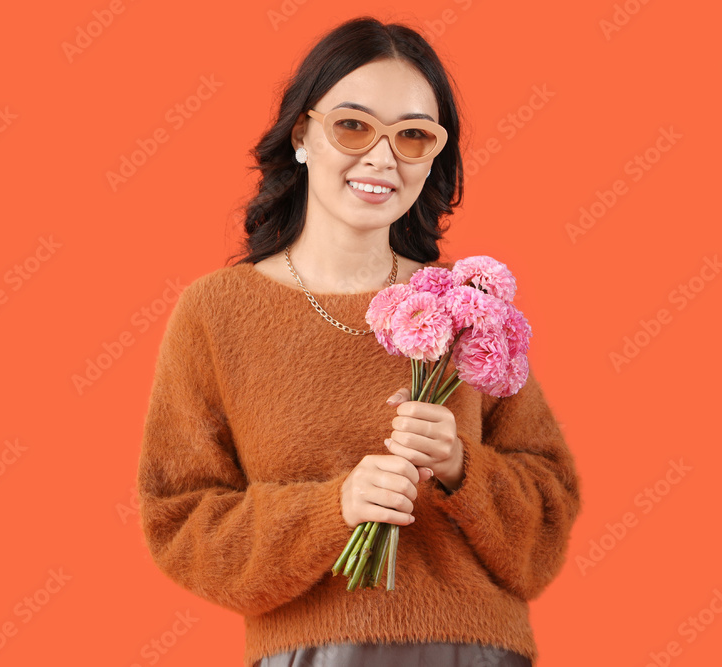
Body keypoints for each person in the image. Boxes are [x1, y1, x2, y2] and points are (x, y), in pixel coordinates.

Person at [136, 16, 581, 667]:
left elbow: (548, 514)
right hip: (314, 653)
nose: (382, 157)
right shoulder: (217, 313)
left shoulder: (462, 308)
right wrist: (331, 507)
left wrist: (462, 466)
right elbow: (179, 519)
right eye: (353, 125)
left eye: (412, 136)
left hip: (477, 650)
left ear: (433, 157)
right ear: (302, 134)